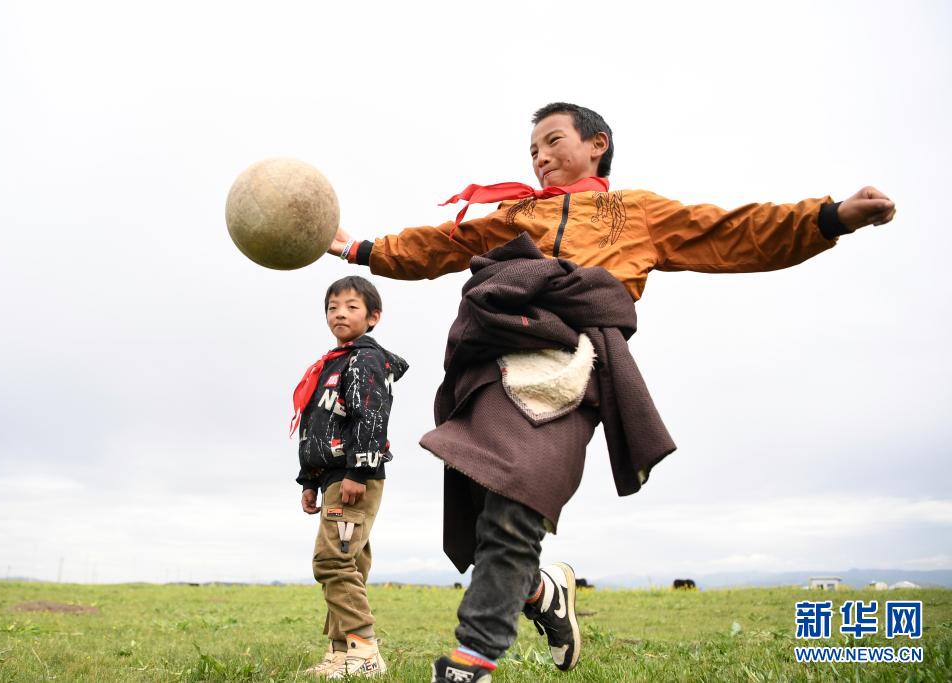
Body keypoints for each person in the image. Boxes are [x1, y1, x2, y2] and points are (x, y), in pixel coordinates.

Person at [328, 103, 895, 683]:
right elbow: (440, 245)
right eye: (533, 150)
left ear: (597, 144)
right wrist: (360, 249)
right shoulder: (516, 214)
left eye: (553, 141)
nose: (541, 157)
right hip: (493, 360)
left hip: (573, 368)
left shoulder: (638, 211)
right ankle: (541, 591)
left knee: (516, 503)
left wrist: (830, 217)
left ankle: (471, 663)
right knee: (489, 511)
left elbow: (732, 231)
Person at [291, 275, 408, 679]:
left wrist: (359, 470)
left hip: (353, 475)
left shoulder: (365, 360)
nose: (340, 313)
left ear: (373, 317)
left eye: (351, 306)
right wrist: (309, 480)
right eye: (332, 307)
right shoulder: (332, 363)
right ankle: (341, 653)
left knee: (332, 561)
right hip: (333, 476)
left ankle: (365, 651)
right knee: (349, 562)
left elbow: (370, 415)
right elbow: (319, 427)